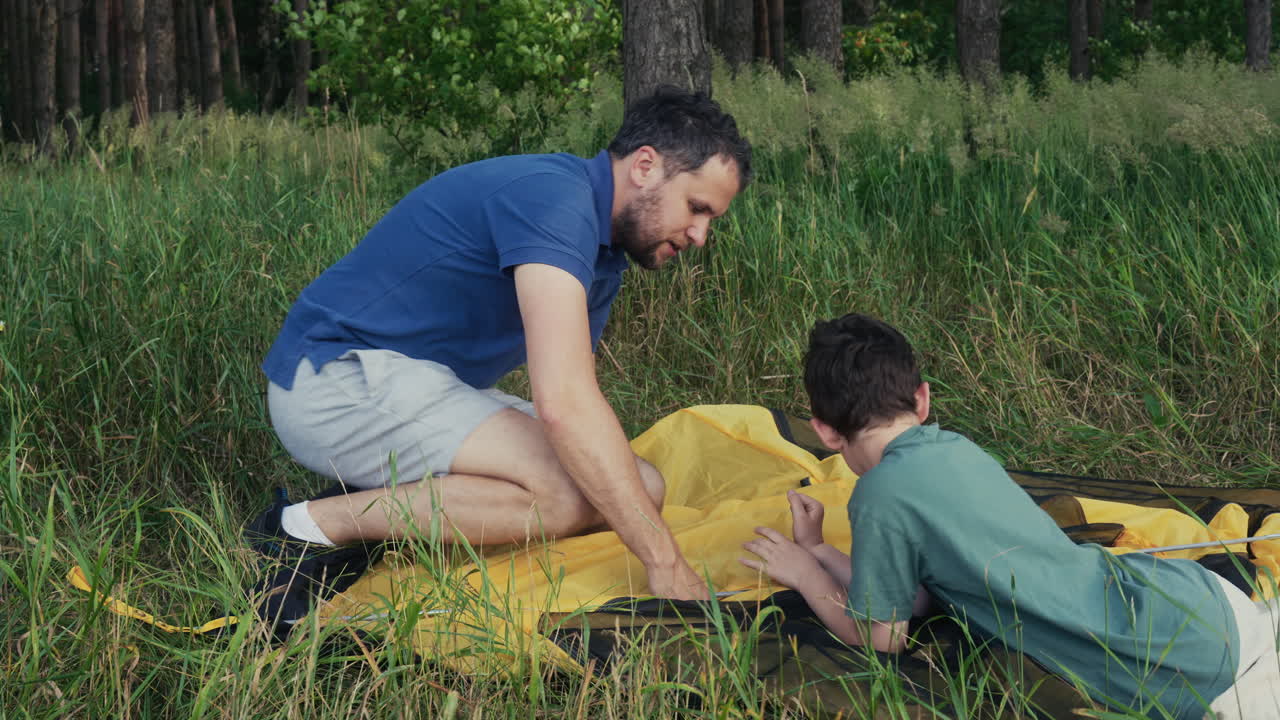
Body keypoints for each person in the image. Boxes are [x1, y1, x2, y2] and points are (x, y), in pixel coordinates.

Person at [247, 87, 753, 623]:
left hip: (414, 384)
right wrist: (667, 566)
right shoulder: (554, 202)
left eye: (711, 219)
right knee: (565, 493)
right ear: (646, 166)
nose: (700, 235)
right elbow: (565, 404)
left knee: (642, 488)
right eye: (697, 208)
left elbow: (578, 409)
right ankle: (303, 527)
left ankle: (386, 504)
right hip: (332, 380)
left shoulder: (604, 251)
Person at [740, 313, 1279, 719]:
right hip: (1201, 603)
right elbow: (915, 595)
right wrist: (818, 549)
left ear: (825, 432)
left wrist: (805, 573)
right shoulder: (954, 447)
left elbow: (884, 639)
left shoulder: (879, 494)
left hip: (1177, 672)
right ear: (923, 400)